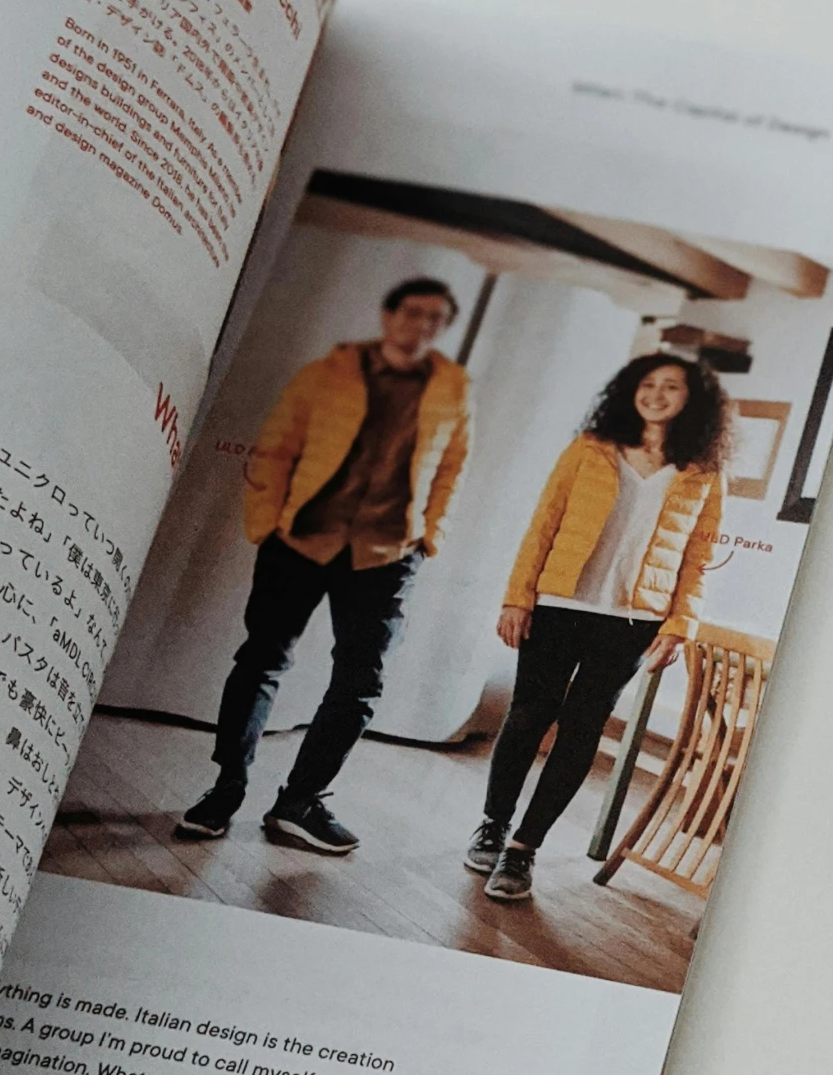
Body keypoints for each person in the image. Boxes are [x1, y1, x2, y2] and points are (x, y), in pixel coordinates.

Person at [176, 277, 471, 855]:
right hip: (302, 541)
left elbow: (451, 470)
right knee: (261, 660)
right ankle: (225, 789)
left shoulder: (453, 390)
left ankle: (299, 801)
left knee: (360, 682)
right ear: (388, 315)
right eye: (414, 312)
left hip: (385, 556)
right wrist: (268, 522)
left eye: (437, 318)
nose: (424, 326)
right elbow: (277, 446)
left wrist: (427, 539)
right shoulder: (326, 374)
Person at [466, 353, 729, 903]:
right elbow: (543, 523)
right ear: (631, 391)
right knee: (528, 715)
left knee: (583, 727)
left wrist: (681, 622)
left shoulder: (704, 472)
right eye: (647, 384)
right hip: (559, 603)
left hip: (633, 622)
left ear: (692, 399)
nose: (656, 394)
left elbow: (699, 555)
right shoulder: (590, 448)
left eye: (671, 387)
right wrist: (518, 597)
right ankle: (493, 824)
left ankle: (523, 849)